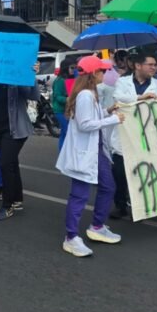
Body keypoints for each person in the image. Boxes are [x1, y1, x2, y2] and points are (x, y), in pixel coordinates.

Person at [57, 56, 125, 257]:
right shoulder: (86, 95)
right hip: (85, 153)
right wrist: (113, 118)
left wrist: (106, 111)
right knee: (79, 195)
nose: (105, 74)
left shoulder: (90, 93)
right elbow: (85, 124)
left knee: (108, 186)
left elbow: (90, 118)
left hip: (96, 151)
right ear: (94, 73)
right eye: (102, 71)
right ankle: (71, 237)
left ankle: (97, 226)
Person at [109, 51, 157, 219]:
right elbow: (119, 98)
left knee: (146, 174)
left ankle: (144, 208)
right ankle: (120, 205)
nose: (154, 68)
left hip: (147, 138)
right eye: (150, 64)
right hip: (125, 136)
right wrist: (140, 97)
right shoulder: (122, 82)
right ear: (137, 65)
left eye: (155, 65)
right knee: (120, 175)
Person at [0, 72, 40, 220]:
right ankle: (17, 198)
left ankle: (7, 205)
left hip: (15, 130)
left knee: (5, 164)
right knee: (11, 163)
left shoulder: (16, 78)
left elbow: (33, 95)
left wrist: (31, 75)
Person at [52, 59, 76, 151]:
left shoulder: (71, 79)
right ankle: (65, 155)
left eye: (75, 68)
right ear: (66, 68)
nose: (73, 70)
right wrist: (67, 99)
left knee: (64, 133)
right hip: (60, 110)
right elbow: (57, 96)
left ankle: (62, 153)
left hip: (68, 110)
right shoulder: (59, 80)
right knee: (67, 132)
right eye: (72, 68)